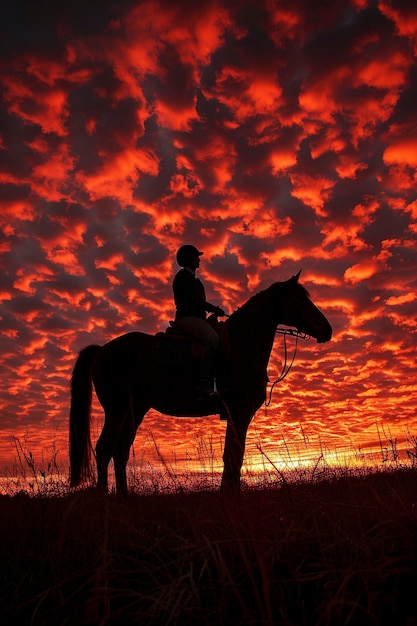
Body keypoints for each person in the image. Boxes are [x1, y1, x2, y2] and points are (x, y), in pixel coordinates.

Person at [172, 244, 226, 398]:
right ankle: (204, 385)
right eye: (196, 257)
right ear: (188, 259)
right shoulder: (183, 277)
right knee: (213, 338)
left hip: (197, 318)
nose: (199, 260)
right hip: (187, 318)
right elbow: (194, 301)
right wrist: (214, 309)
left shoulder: (195, 280)